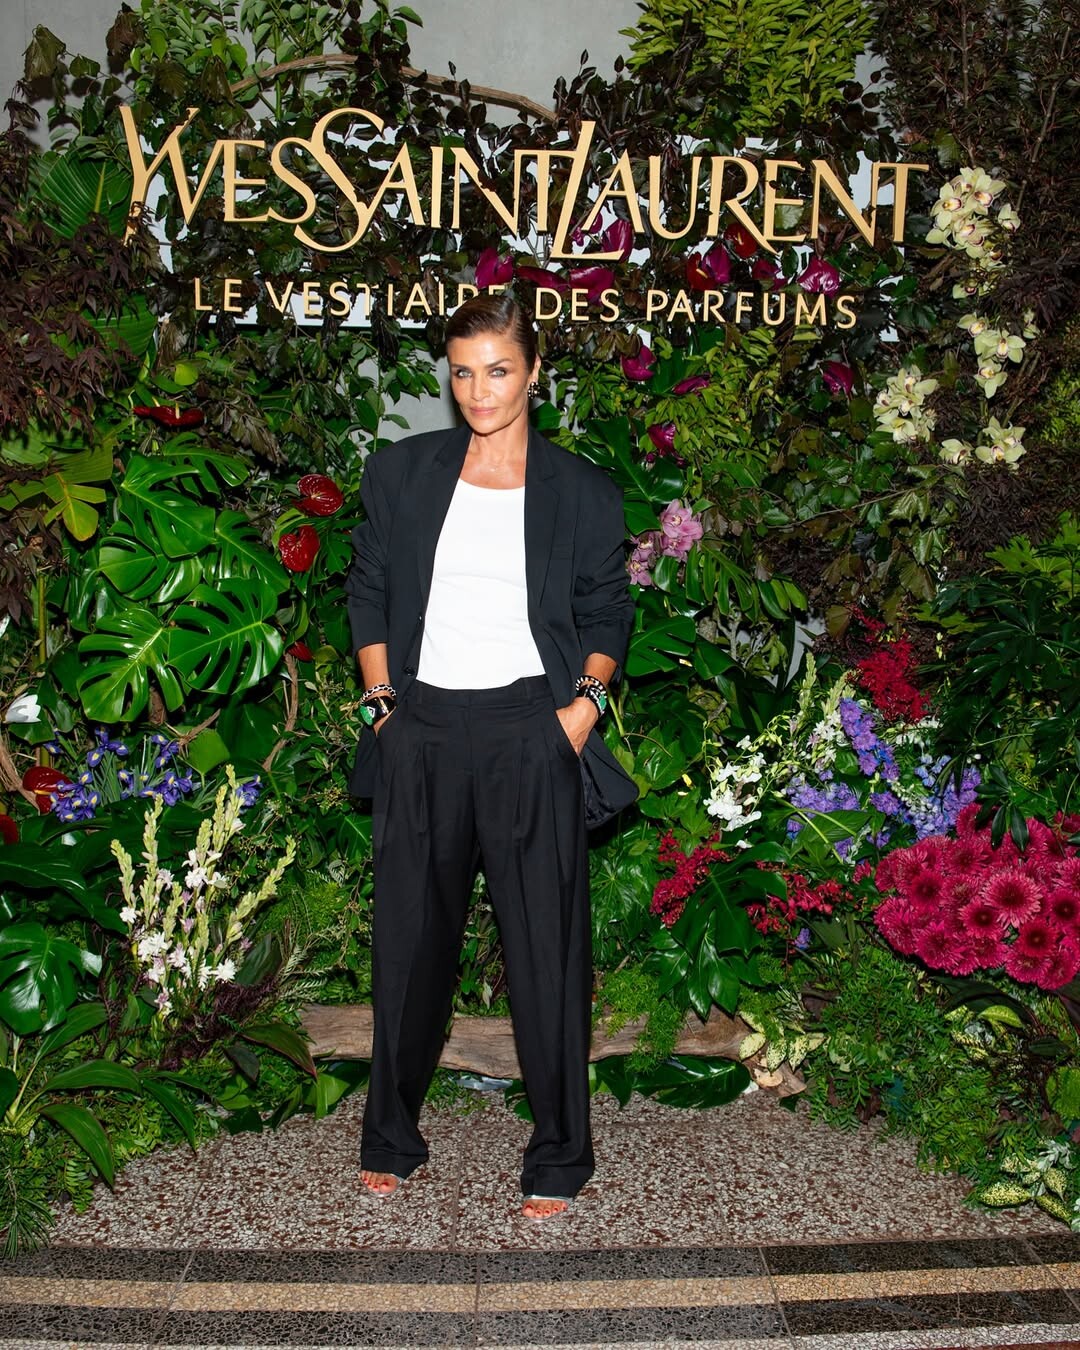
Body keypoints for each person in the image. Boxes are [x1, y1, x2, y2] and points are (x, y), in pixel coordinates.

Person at [345, 291, 637, 1220]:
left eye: (498, 370)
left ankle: (560, 1154)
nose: (479, 390)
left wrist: (581, 713)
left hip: (530, 729)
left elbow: (608, 611)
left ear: (533, 372)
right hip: (421, 727)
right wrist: (383, 706)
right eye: (464, 372)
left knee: (548, 952)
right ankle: (391, 1136)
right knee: (408, 947)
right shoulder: (403, 473)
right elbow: (369, 587)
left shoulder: (580, 490)